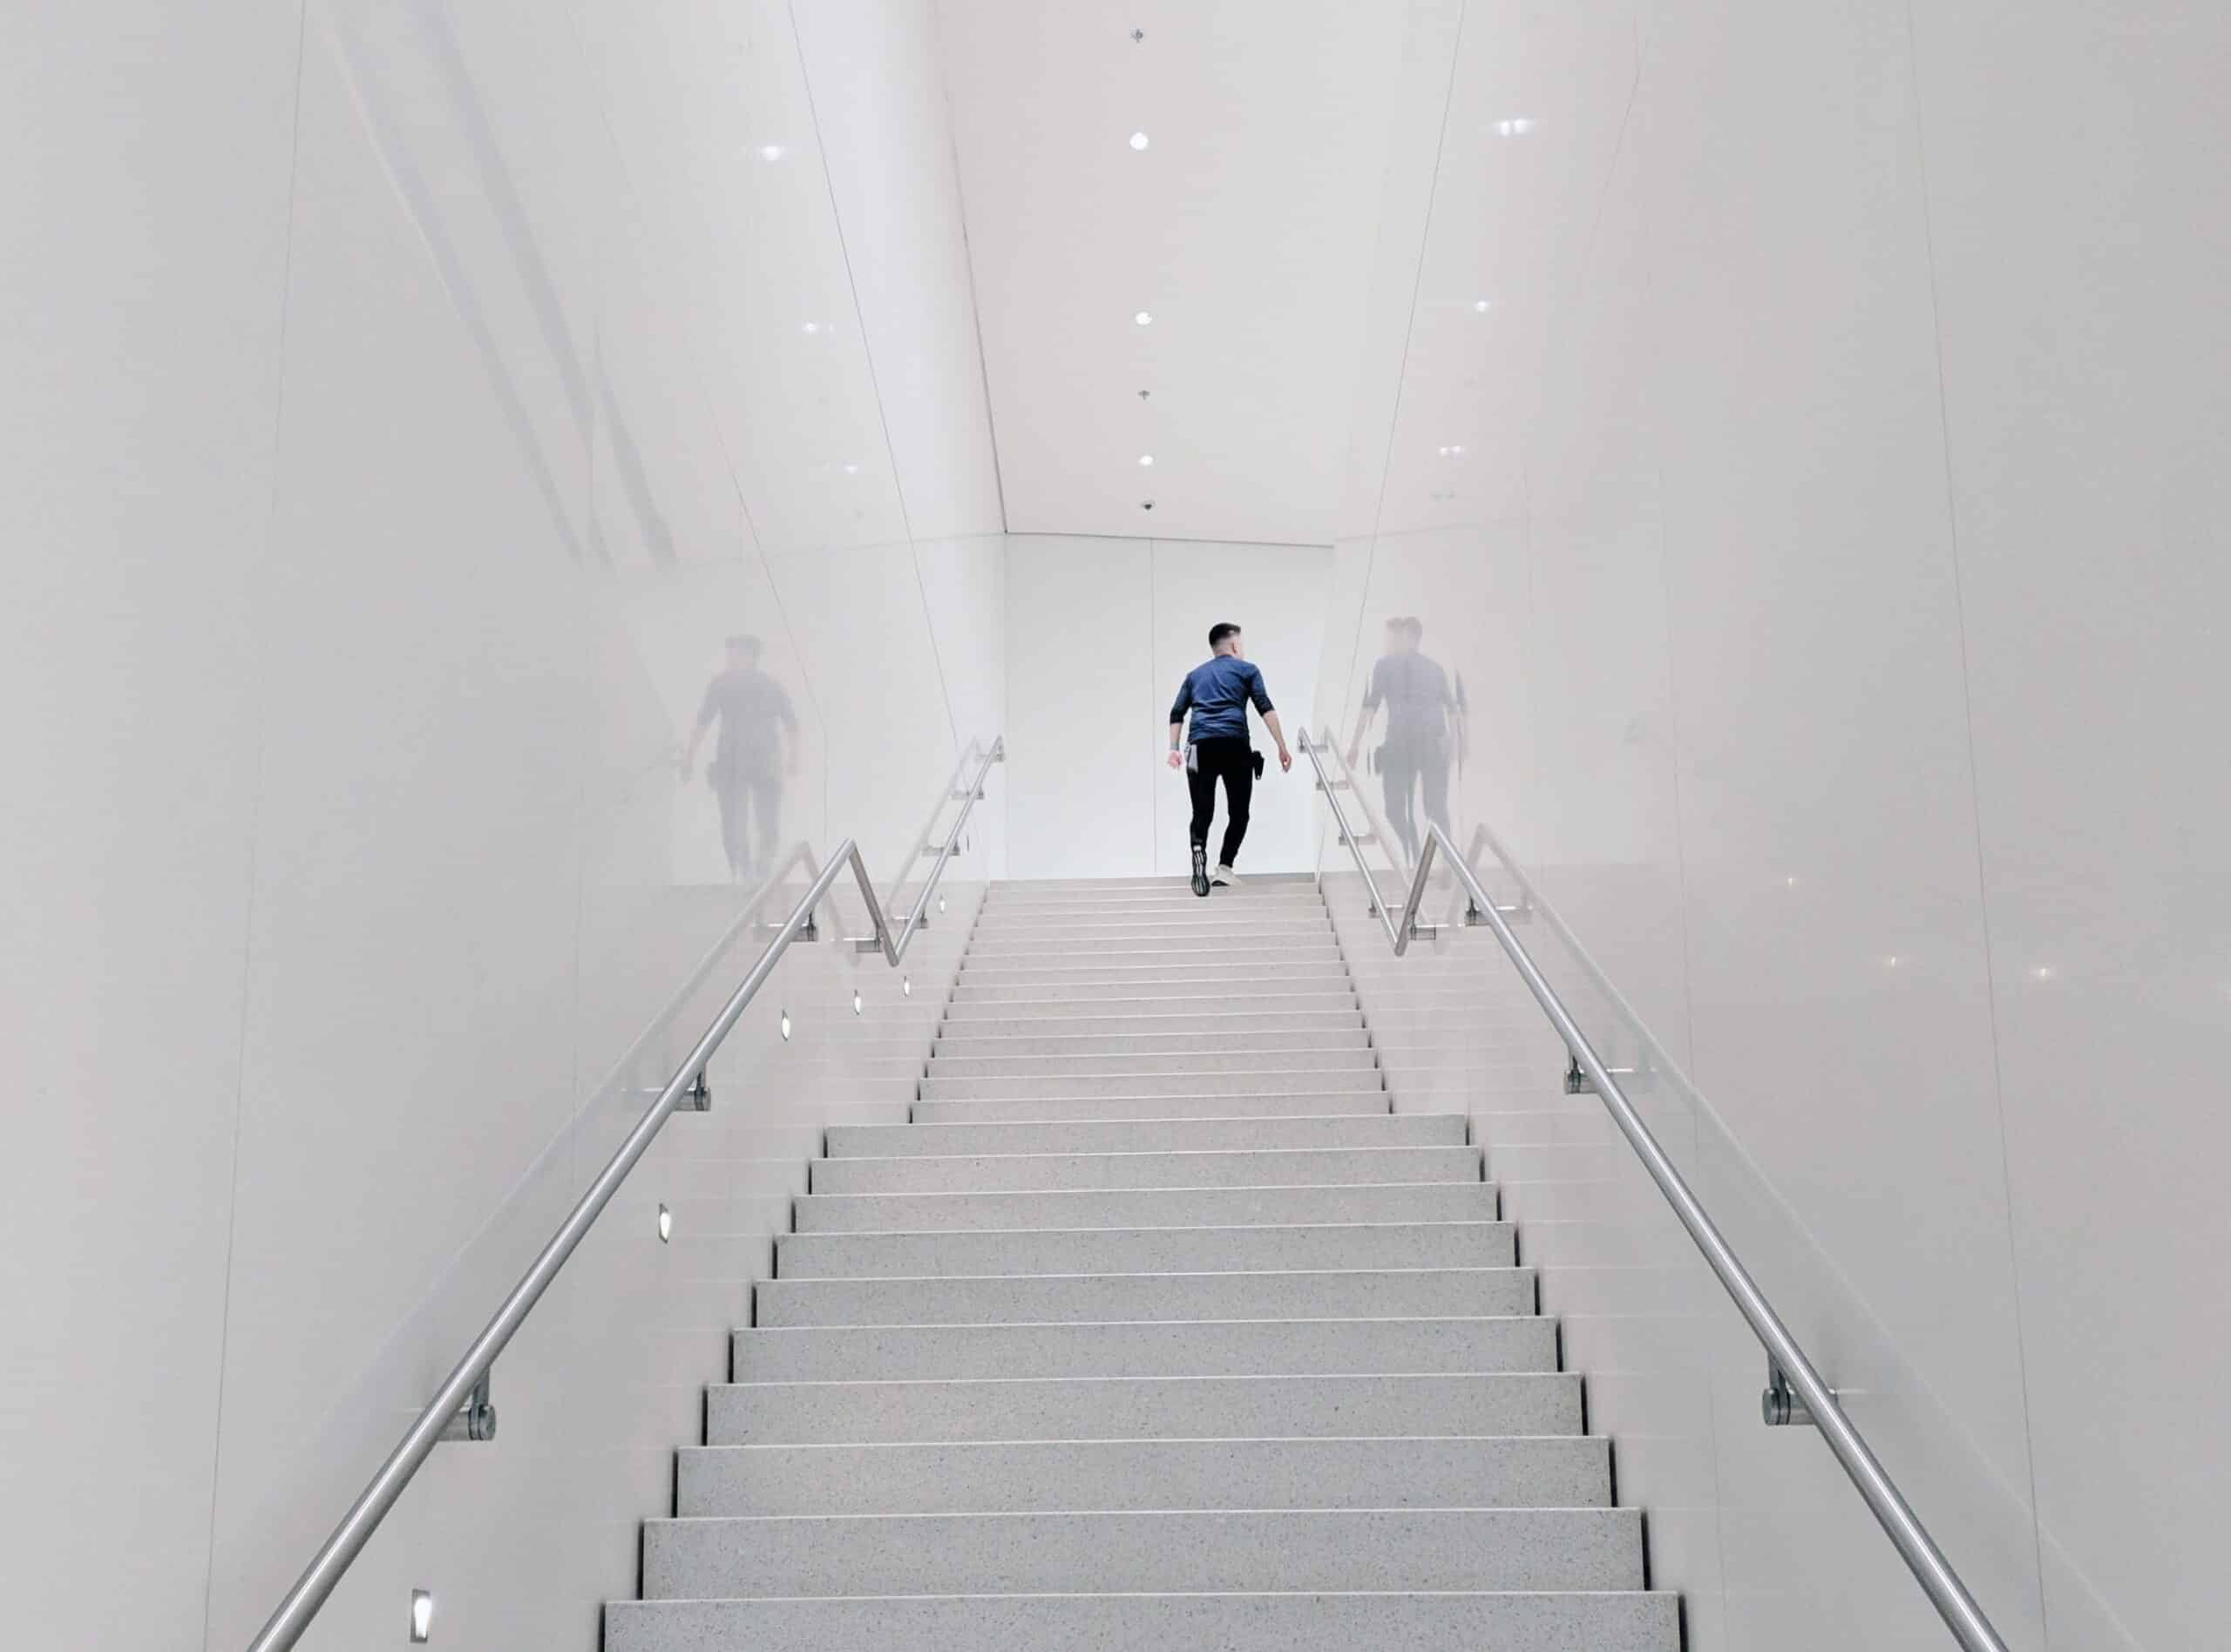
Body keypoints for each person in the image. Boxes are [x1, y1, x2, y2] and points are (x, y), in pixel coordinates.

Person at [1167, 622, 1292, 897]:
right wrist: (1281, 746)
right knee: (1239, 812)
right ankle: (1224, 867)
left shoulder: (1194, 675)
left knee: (1202, 811)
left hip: (1198, 747)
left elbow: (1176, 713)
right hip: (1234, 745)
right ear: (1235, 645)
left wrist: (1173, 748)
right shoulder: (1248, 670)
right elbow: (1265, 707)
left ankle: (1198, 848)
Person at [682, 634, 799, 882]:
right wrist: (689, 756)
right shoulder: (721, 685)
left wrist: (793, 757)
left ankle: (763, 865)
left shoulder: (769, 686)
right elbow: (703, 721)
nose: (732, 658)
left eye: (738, 652)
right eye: (730, 653)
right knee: (732, 819)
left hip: (765, 759)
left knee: (767, 817)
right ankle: (741, 868)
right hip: (730, 761)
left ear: (752, 657)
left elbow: (791, 722)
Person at [1349, 615, 1462, 865]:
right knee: (1418, 808)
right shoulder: (1392, 666)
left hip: (1417, 743)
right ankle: (1423, 856)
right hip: (1414, 744)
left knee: (1428, 808)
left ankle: (1437, 860)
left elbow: (1369, 708)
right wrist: (1453, 743)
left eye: (1395, 636)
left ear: (1411, 638)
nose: (1390, 642)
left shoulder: (1424, 668)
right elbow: (1370, 707)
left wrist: (1355, 746)